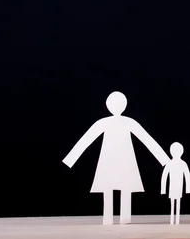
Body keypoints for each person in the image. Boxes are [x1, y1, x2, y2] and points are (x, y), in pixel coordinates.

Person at [62, 91, 169, 225]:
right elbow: (146, 139)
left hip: (115, 159)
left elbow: (146, 139)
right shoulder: (127, 122)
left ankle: (116, 218)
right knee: (120, 186)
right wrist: (164, 159)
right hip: (118, 159)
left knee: (114, 186)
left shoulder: (106, 122)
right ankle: (118, 218)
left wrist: (164, 159)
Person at [161, 142, 190, 225]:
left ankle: (176, 219)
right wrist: (163, 189)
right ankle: (172, 219)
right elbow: (164, 176)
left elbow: (187, 176)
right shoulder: (170, 163)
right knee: (173, 203)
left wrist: (188, 188)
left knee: (177, 202)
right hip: (172, 187)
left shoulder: (183, 163)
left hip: (179, 186)